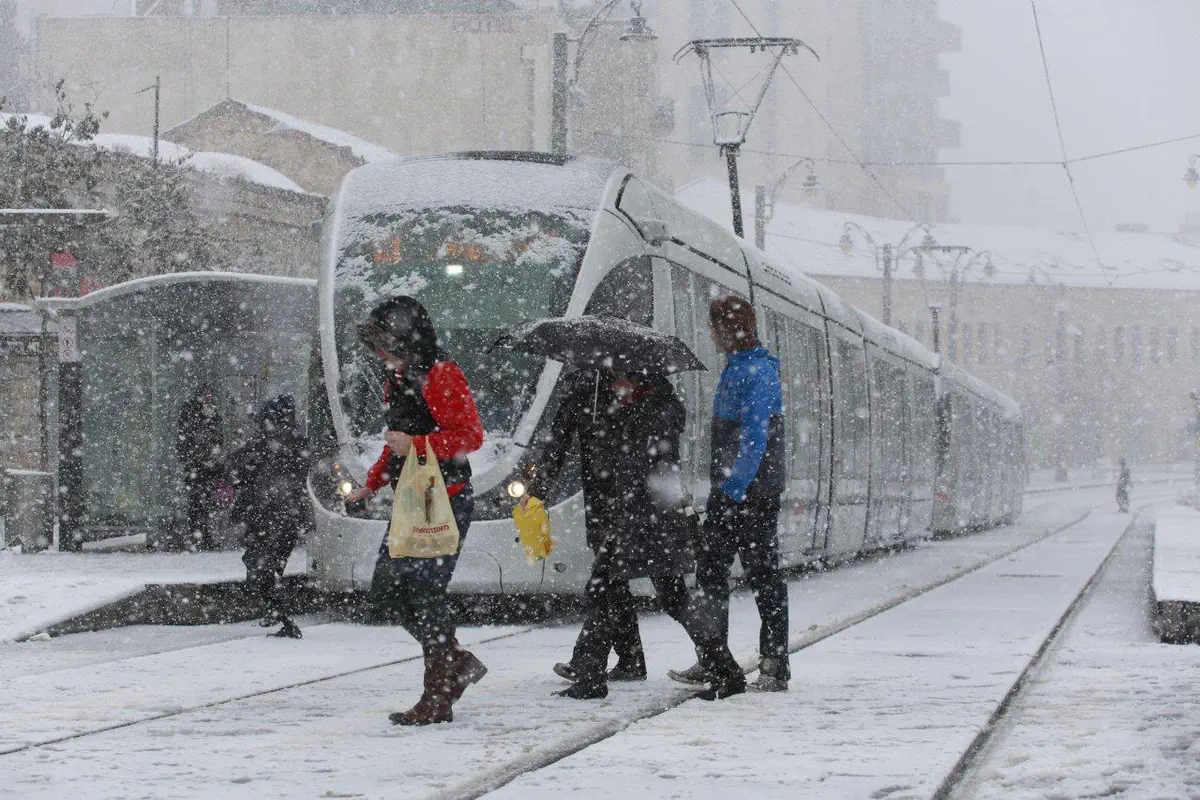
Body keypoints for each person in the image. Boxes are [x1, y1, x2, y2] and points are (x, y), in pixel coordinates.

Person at [529, 368, 745, 701]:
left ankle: (591, 678)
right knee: (662, 596)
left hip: (647, 517)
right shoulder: (644, 408)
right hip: (644, 517)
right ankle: (725, 670)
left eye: (622, 380)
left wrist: (617, 445)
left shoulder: (656, 412)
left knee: (608, 590)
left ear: (640, 381)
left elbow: (644, 467)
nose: (616, 386)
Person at [342, 296, 487, 726]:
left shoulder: (441, 375)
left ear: (408, 339)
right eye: (376, 347)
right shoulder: (400, 378)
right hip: (412, 501)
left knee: (424, 594)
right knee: (388, 592)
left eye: (387, 346)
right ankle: (456, 661)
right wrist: (372, 482)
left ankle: (439, 692)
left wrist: (419, 446)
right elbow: (398, 443)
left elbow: (470, 436)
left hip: (445, 500)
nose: (380, 356)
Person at [671, 295, 791, 693]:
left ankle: (774, 664)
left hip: (750, 493)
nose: (710, 333)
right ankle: (713, 657)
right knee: (713, 574)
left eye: (713, 326)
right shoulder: (738, 368)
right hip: (735, 490)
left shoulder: (757, 373)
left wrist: (734, 488)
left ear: (728, 329)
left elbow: (755, 438)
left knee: (761, 576)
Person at [227, 394, 311, 639]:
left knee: (260, 564)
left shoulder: (268, 445)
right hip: (284, 516)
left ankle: (280, 614)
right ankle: (277, 612)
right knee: (268, 565)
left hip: (269, 515)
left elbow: (238, 468)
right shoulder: (295, 443)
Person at [177, 384, 225, 551]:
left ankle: (201, 535)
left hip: (205, 465)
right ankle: (199, 535)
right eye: (206, 396)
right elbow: (185, 438)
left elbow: (218, 437)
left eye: (210, 396)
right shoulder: (192, 413)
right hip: (197, 465)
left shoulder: (212, 414)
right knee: (197, 502)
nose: (208, 399)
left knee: (203, 501)